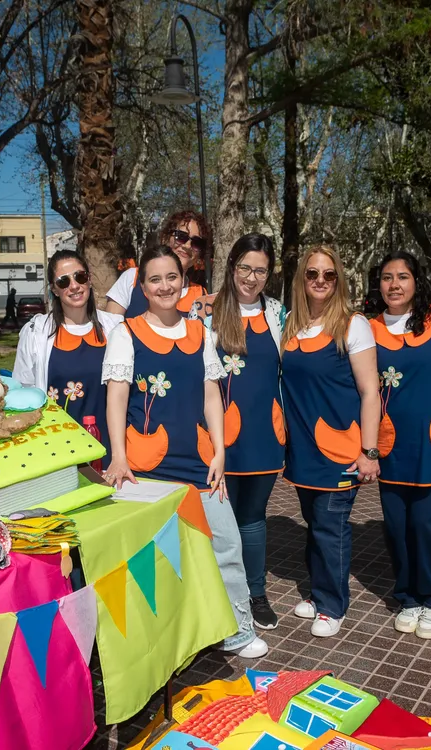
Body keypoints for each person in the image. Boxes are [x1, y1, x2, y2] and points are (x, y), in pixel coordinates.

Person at [102, 245, 268, 658]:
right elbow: (117, 400)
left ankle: (237, 631)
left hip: (199, 463)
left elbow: (213, 395)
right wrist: (118, 457)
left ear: (184, 280)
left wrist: (219, 453)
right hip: (146, 467)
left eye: (171, 277)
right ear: (142, 286)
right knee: (159, 558)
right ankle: (169, 643)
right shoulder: (126, 333)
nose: (164, 286)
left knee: (225, 544)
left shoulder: (201, 332)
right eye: (155, 279)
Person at [370, 250, 431, 640]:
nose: (394, 285)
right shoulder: (367, 327)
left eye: (403, 277)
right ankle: (408, 596)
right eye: (386, 278)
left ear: (417, 281)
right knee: (397, 525)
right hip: (391, 443)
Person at [281, 246, 381, 637]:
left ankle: (332, 604)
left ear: (338, 279)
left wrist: (369, 451)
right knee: (314, 522)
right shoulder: (291, 323)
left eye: (328, 275)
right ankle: (318, 592)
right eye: (312, 274)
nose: (320, 281)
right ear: (301, 279)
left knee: (331, 525)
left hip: (340, 449)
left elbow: (370, 391)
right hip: (302, 450)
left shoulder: (352, 325)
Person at [190, 234, 286, 630]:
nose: (251, 276)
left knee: (252, 517)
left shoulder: (279, 314)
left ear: (269, 274)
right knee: (216, 520)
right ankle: (216, 598)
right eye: (245, 267)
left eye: (260, 270)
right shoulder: (207, 314)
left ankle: (255, 593)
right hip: (217, 438)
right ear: (232, 267)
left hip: (264, 434)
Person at [14, 251, 122, 462]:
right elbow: (22, 394)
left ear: (89, 279)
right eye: (64, 281)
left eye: (80, 277)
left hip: (108, 446)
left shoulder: (116, 328)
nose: (74, 286)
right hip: (56, 449)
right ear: (54, 289)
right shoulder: (35, 332)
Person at [105, 210, 209, 317]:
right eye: (181, 236)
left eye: (197, 243)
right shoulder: (132, 278)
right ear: (165, 238)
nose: (187, 246)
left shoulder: (200, 296)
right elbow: (109, 329)